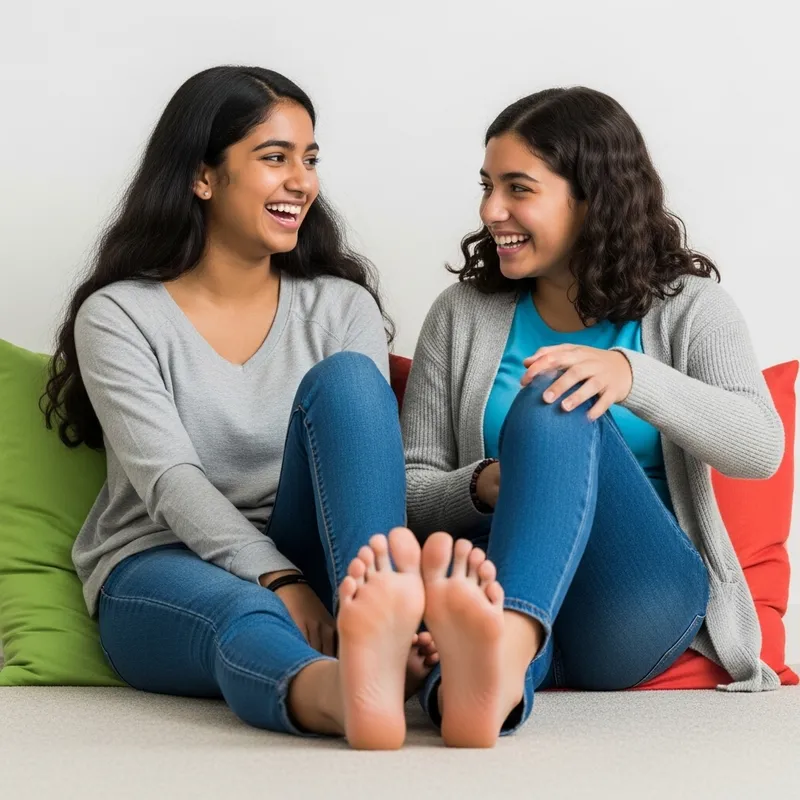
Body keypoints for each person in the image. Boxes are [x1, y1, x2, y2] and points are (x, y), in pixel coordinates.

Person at [42, 65, 439, 750]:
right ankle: (348, 695)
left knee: (349, 381)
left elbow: (366, 469)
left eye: (309, 160)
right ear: (203, 177)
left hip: (329, 569)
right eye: (274, 157)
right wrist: (278, 578)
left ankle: (382, 628)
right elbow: (168, 480)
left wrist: (328, 587)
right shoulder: (119, 316)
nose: (302, 181)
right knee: (245, 610)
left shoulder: (341, 305)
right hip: (164, 563)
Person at [402, 87, 784, 748]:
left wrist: (632, 377)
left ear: (593, 198)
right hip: (502, 570)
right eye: (487, 186)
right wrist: (486, 484)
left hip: (634, 601)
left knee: (557, 396)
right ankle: (478, 687)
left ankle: (504, 644)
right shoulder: (461, 316)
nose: (493, 210)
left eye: (518, 188)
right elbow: (408, 490)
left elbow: (760, 448)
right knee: (475, 621)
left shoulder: (690, 309)